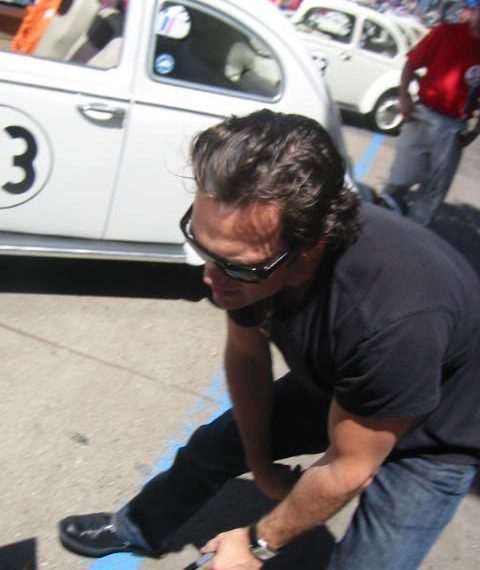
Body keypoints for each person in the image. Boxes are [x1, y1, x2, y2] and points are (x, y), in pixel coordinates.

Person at [58, 110, 480, 569]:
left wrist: (256, 544)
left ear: (309, 248)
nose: (210, 276)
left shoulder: (390, 321)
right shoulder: (250, 257)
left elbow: (349, 469)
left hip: (435, 429)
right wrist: (259, 464)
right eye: (202, 245)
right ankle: (139, 526)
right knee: (214, 445)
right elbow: (247, 357)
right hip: (348, 377)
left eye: (235, 266)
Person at [378, 1, 480, 226]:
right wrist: (404, 97)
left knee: (434, 192)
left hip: (453, 127)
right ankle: (381, 221)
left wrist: (475, 131)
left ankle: (414, 234)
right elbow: (411, 64)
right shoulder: (446, 33)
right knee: (399, 180)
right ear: (474, 11)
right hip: (423, 115)